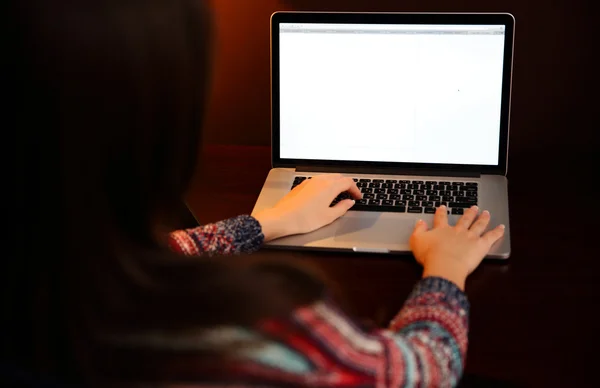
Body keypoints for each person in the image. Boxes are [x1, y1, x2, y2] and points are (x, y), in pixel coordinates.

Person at [3, 0, 505, 386]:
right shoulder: (258, 332)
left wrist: (264, 224)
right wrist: (446, 269)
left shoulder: (47, 287)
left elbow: (135, 261)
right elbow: (420, 368)